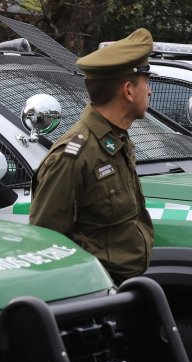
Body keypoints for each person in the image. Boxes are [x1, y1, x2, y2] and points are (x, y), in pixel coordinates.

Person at [30, 28, 155, 284]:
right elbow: (45, 244)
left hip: (121, 290)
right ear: (129, 90)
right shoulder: (73, 156)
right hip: (94, 297)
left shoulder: (116, 139)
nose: (150, 91)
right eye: (146, 83)